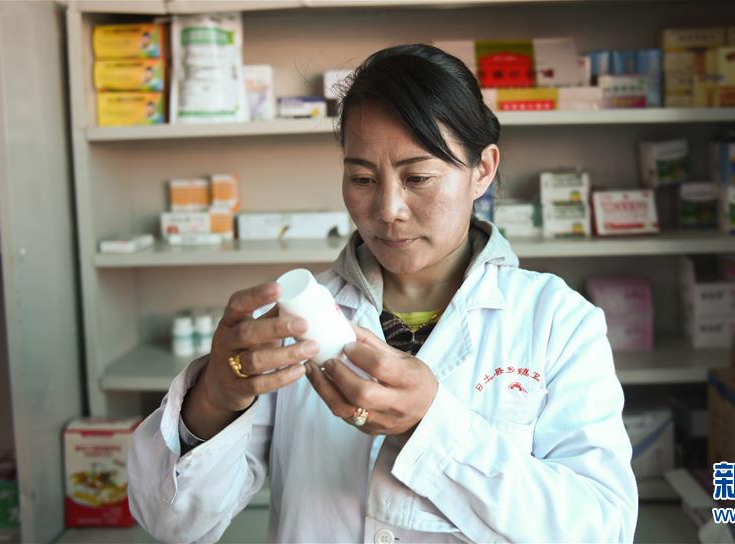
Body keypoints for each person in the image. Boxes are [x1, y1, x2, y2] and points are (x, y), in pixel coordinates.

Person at [128, 43, 638, 543]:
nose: (388, 209)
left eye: (418, 177)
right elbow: (172, 524)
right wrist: (215, 398)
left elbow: (603, 529)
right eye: (362, 178)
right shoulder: (291, 322)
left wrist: (434, 428)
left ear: (482, 169)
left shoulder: (557, 321)